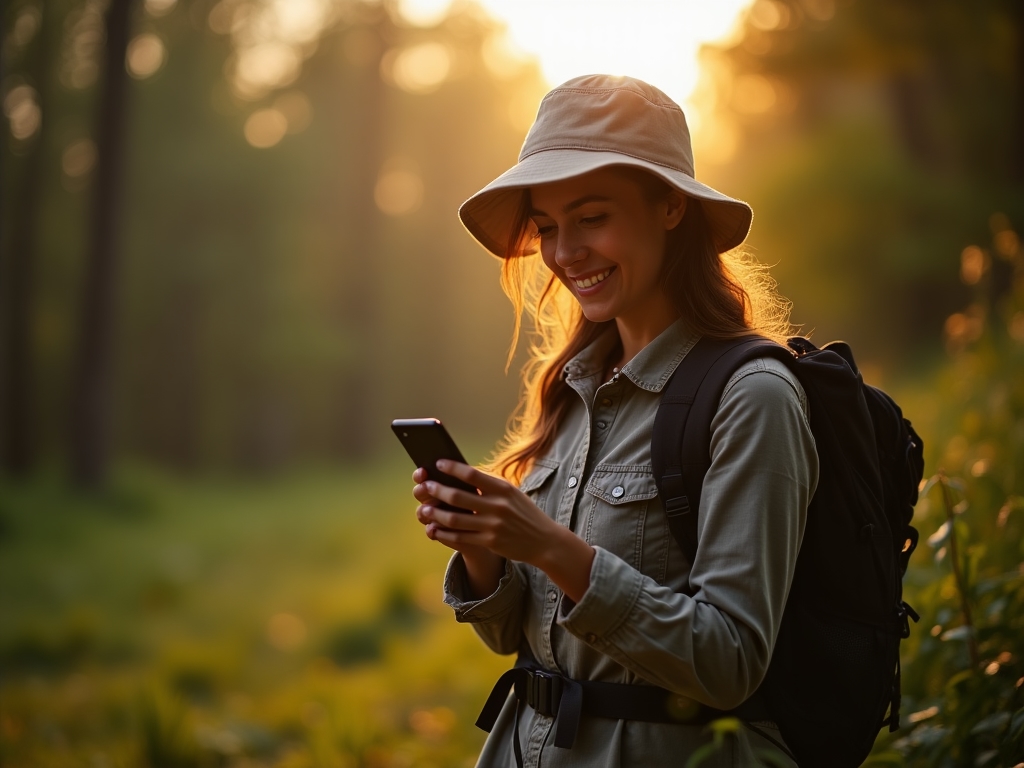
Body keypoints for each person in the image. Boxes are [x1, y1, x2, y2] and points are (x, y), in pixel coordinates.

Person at [410, 74, 818, 768]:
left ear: (668, 207)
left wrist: (549, 547)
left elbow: (730, 662)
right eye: (546, 227)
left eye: (592, 217)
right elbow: (517, 639)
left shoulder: (752, 397)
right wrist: (484, 545)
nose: (565, 253)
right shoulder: (572, 392)